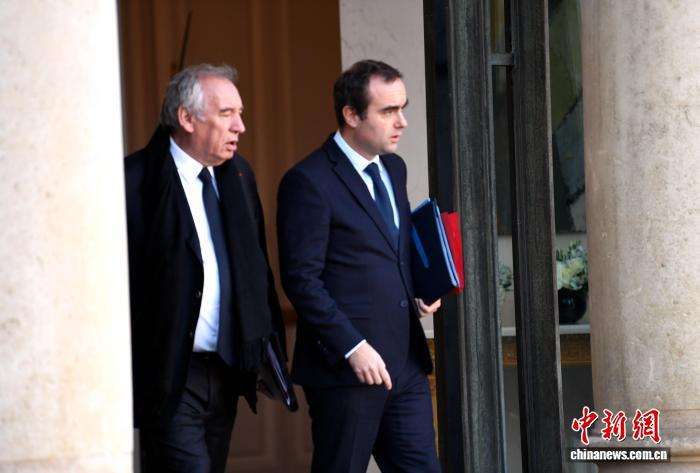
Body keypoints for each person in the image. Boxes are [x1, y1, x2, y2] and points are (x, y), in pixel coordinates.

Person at [277, 59, 441, 473]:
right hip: (346, 371)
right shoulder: (308, 181)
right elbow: (301, 280)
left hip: (405, 364)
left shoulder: (394, 168)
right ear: (351, 115)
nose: (401, 122)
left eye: (403, 108)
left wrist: (416, 290)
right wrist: (352, 346)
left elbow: (388, 249)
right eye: (388, 111)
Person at [124, 63, 285, 473]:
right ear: (186, 118)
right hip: (170, 372)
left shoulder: (239, 176)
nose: (240, 127)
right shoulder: (135, 180)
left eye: (240, 113)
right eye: (226, 113)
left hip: (226, 367)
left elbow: (258, 270)